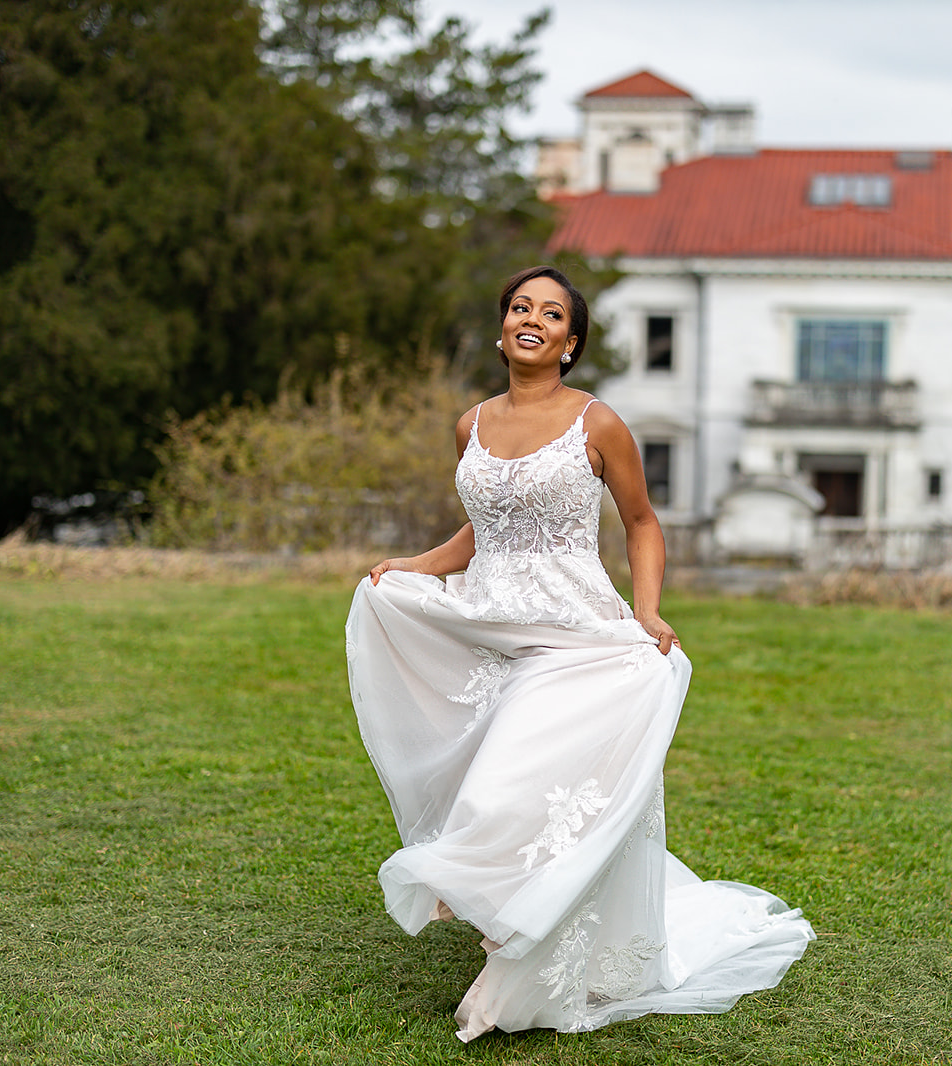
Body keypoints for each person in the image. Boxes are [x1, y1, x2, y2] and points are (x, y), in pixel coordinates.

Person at [345, 265, 814, 1042]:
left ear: (570, 342)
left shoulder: (597, 424)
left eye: (552, 312)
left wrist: (648, 607)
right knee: (491, 777)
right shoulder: (470, 425)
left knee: (507, 789)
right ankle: (505, 920)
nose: (533, 318)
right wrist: (419, 565)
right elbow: (487, 527)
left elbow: (641, 521)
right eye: (520, 307)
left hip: (579, 636)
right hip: (492, 622)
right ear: (502, 330)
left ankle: (505, 942)